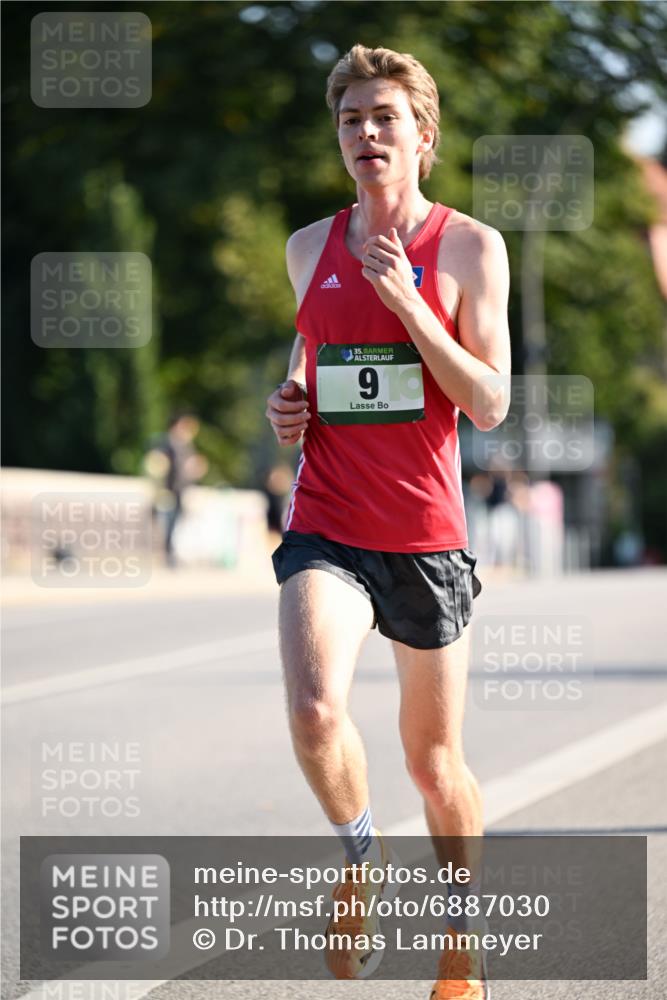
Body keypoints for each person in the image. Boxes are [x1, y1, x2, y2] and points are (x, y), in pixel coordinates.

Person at [265, 44, 510, 999]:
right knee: (314, 707)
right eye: (349, 120)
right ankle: (358, 864)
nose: (364, 134)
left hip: (424, 534)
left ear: (422, 136)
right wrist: (289, 401)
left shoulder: (467, 247)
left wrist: (409, 302)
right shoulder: (305, 247)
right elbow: (308, 362)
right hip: (327, 519)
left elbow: (487, 402)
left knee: (433, 760)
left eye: (383, 119)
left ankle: (460, 936)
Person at [144, 411, 208, 567]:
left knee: (174, 523)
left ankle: (169, 553)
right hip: (167, 490)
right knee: (166, 522)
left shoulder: (186, 446)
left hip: (180, 490)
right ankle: (166, 555)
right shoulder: (165, 443)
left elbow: (186, 469)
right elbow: (157, 465)